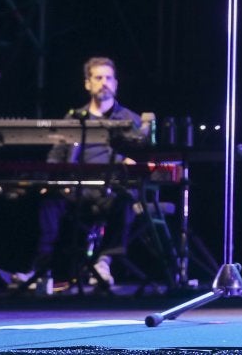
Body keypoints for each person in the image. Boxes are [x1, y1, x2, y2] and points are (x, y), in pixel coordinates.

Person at [20, 56, 148, 290]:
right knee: (50, 201)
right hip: (77, 187)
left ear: (116, 84)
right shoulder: (74, 119)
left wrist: (125, 163)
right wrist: (55, 180)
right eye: (98, 78)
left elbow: (142, 157)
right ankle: (41, 270)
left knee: (125, 201)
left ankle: (104, 262)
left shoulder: (130, 120)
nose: (104, 83)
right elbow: (56, 155)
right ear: (88, 84)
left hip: (111, 188)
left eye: (109, 78)